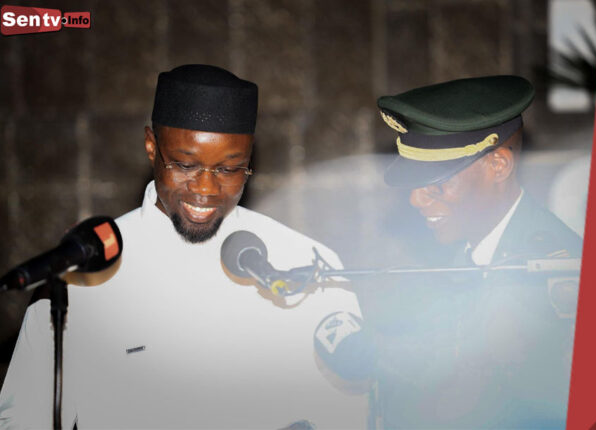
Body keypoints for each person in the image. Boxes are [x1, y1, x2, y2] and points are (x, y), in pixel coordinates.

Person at [0, 65, 366, 429]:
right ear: (151, 147)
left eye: (229, 169)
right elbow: (22, 419)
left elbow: (349, 412)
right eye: (185, 165)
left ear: (249, 158)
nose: (205, 188)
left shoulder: (304, 264)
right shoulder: (82, 276)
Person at [362, 75, 582, 428]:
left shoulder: (551, 276)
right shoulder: (464, 254)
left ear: (498, 166)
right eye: (415, 183)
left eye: (437, 183)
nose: (416, 199)